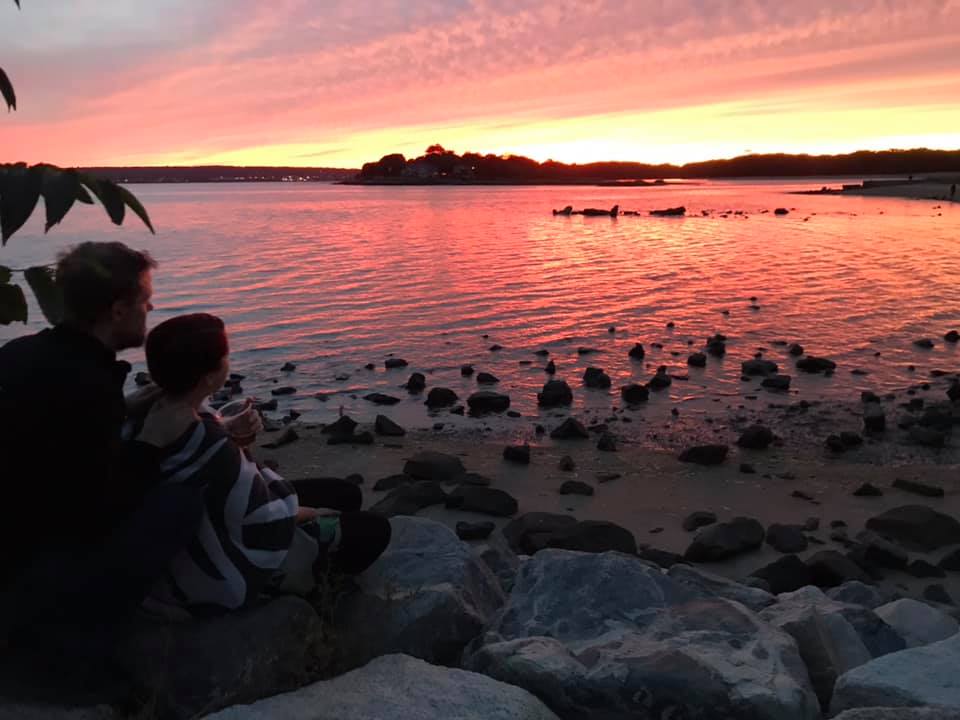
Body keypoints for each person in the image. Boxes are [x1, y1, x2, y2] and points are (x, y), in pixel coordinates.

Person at [0, 243, 263, 642]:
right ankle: (108, 626)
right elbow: (94, 513)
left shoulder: (22, 352)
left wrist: (122, 409)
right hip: (35, 579)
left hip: (16, 546)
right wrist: (151, 442)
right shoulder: (89, 385)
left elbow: (54, 446)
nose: (151, 308)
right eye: (145, 300)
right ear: (119, 310)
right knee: (179, 501)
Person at [131, 314, 390, 617]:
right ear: (208, 378)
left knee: (345, 493)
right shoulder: (210, 443)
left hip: (206, 523)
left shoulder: (152, 411)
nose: (229, 361)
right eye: (225, 356)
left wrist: (228, 430)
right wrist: (308, 513)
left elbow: (202, 464)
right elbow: (264, 521)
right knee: (375, 530)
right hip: (218, 568)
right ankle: (312, 585)